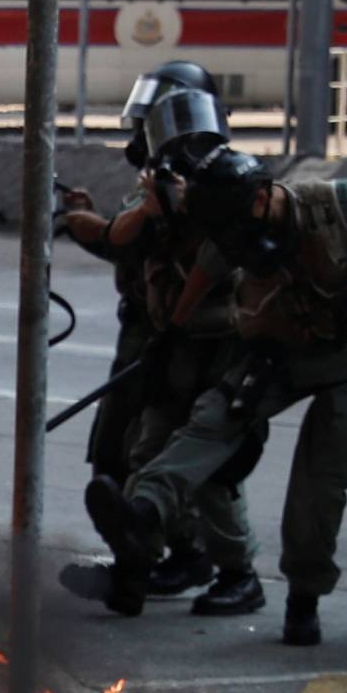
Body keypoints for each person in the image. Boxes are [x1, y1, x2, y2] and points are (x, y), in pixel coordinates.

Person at [82, 148, 347, 644]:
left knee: (320, 483)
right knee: (209, 422)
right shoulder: (229, 226)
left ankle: (303, 598)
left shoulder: (333, 203)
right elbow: (204, 274)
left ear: (264, 197)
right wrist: (171, 333)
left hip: (339, 358)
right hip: (275, 352)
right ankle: (144, 512)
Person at [58, 85, 265, 618]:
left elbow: (210, 268)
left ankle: (239, 573)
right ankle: (136, 567)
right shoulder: (156, 194)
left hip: (218, 348)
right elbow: (121, 237)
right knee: (144, 456)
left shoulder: (229, 187)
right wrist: (152, 211)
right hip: (170, 347)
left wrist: (172, 322)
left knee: (210, 469)